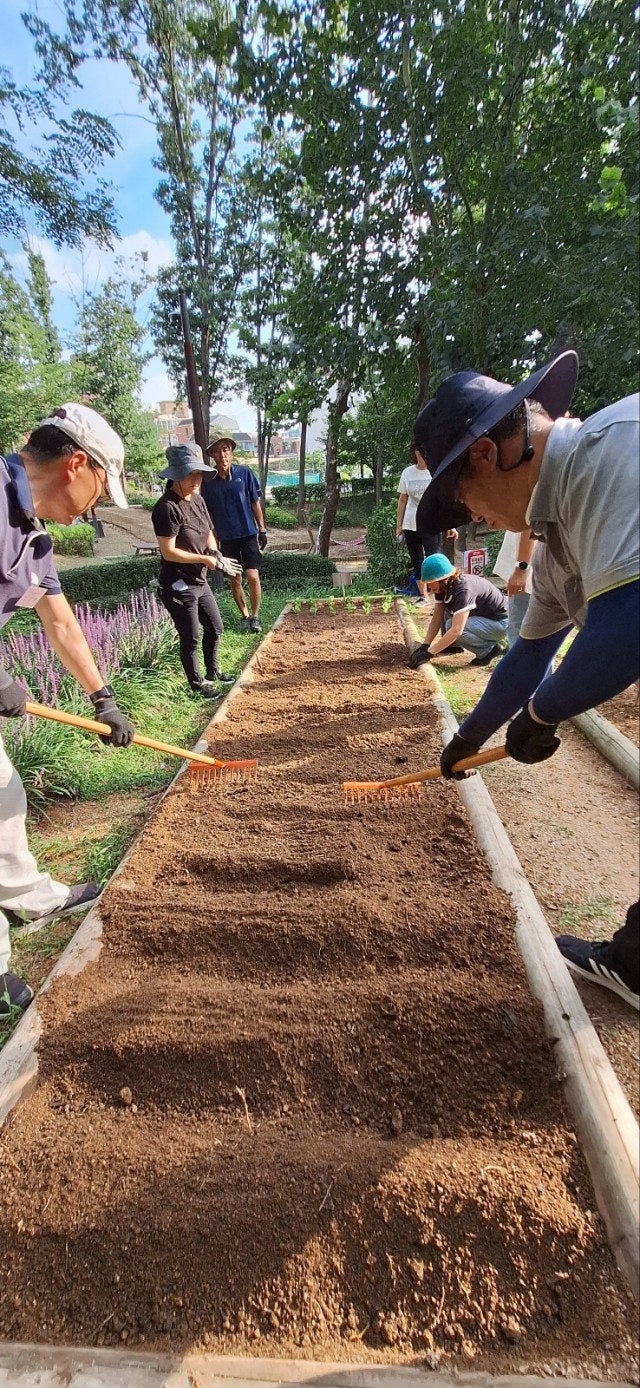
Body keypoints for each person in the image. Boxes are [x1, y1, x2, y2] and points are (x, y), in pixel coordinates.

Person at [412, 351, 639, 1011]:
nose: (474, 519)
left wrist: (541, 716)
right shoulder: (558, 533)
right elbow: (528, 654)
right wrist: (469, 735)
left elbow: (628, 625)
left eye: (462, 501)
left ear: (485, 455)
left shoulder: (610, 453)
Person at [0, 403, 136, 1018]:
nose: (96, 508)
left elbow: (59, 620)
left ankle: (27, 894)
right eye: (100, 490)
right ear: (76, 465)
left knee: (4, 794)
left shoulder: (34, 534)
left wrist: (101, 697)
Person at [152, 442, 242, 698]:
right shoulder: (167, 507)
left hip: (199, 581)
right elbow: (168, 551)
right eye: (190, 474)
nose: (196, 479)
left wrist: (215, 554)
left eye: (199, 473)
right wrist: (204, 561)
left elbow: (208, 532)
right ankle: (197, 683)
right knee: (190, 636)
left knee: (215, 627)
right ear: (175, 475)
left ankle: (213, 671)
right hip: (178, 584)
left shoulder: (198, 500)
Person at [200, 423, 267, 634]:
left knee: (253, 576)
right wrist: (212, 541)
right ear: (211, 455)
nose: (222, 455)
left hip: (248, 534)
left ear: (231, 451)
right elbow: (208, 513)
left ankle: (256, 616)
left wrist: (262, 529)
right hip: (226, 539)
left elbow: (255, 502)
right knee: (235, 579)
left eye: (226, 449)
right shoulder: (208, 482)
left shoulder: (245, 474)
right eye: (217, 451)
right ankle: (245, 616)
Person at [410, 553, 508, 667]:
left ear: (443, 579)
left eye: (431, 583)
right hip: (483, 619)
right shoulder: (443, 588)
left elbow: (457, 630)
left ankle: (489, 650)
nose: (429, 587)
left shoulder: (463, 590)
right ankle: (453, 646)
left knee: (452, 625)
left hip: (501, 624)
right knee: (447, 613)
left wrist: (429, 654)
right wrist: (425, 646)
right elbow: (437, 619)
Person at [396, 446, 439, 587]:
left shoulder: (436, 470)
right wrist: (399, 526)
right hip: (410, 523)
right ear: (415, 453)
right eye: (419, 452)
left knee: (433, 559)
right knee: (417, 560)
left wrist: (449, 525)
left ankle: (437, 595)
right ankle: (424, 596)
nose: (422, 455)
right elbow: (402, 500)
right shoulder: (407, 473)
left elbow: (443, 500)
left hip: (430, 522)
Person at [492, 529, 538, 647]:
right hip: (534, 572)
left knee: (519, 630)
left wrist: (521, 569)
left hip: (527, 574)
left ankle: (519, 665)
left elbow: (529, 526)